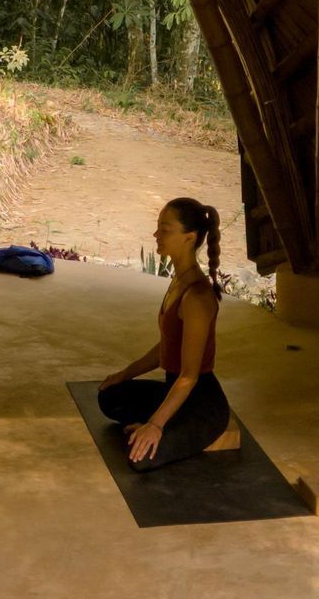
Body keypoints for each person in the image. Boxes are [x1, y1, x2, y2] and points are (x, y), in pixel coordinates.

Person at [96, 196, 243, 468]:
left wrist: (154, 424)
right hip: (172, 389)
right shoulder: (179, 280)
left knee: (139, 460)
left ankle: (168, 424)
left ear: (189, 237)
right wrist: (125, 374)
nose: (156, 235)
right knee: (108, 396)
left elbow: (188, 377)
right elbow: (167, 345)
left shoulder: (197, 297)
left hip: (201, 404)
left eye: (165, 230)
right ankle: (164, 419)